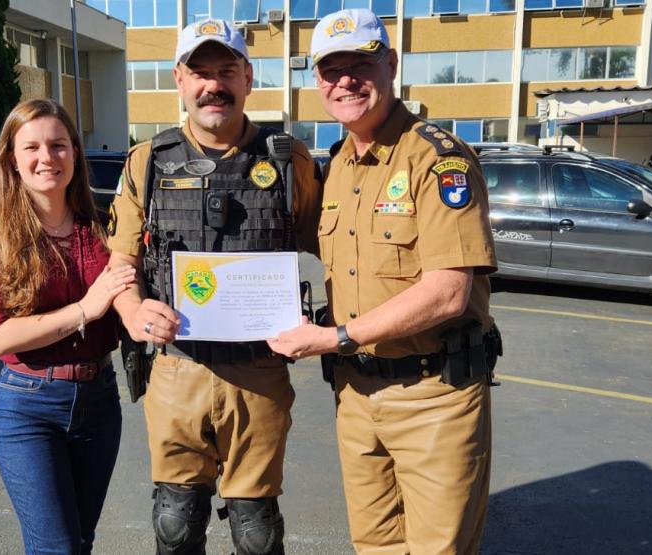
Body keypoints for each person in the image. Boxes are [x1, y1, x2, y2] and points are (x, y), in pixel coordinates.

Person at [268, 9, 501, 554]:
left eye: (360, 63)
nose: (345, 80)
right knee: (373, 545)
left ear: (390, 64)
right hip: (355, 394)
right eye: (331, 69)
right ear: (317, 82)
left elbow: (448, 290)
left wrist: (334, 337)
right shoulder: (337, 168)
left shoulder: (438, 159)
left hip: (432, 397)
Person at [106, 19, 321, 555]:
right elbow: (121, 262)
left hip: (259, 370)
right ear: (179, 79)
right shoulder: (148, 162)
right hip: (178, 368)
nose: (213, 85)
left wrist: (335, 327)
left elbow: (334, 250)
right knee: (175, 524)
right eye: (200, 72)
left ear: (248, 77)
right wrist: (132, 310)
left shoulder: (288, 159)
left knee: (256, 531)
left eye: (226, 70)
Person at [0, 98, 135, 554]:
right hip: (28, 406)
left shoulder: (105, 226)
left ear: (75, 154)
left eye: (59, 145)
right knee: (55, 548)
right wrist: (87, 308)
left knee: (81, 540)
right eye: (33, 147)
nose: (47, 158)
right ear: (11, 159)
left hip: (100, 399)